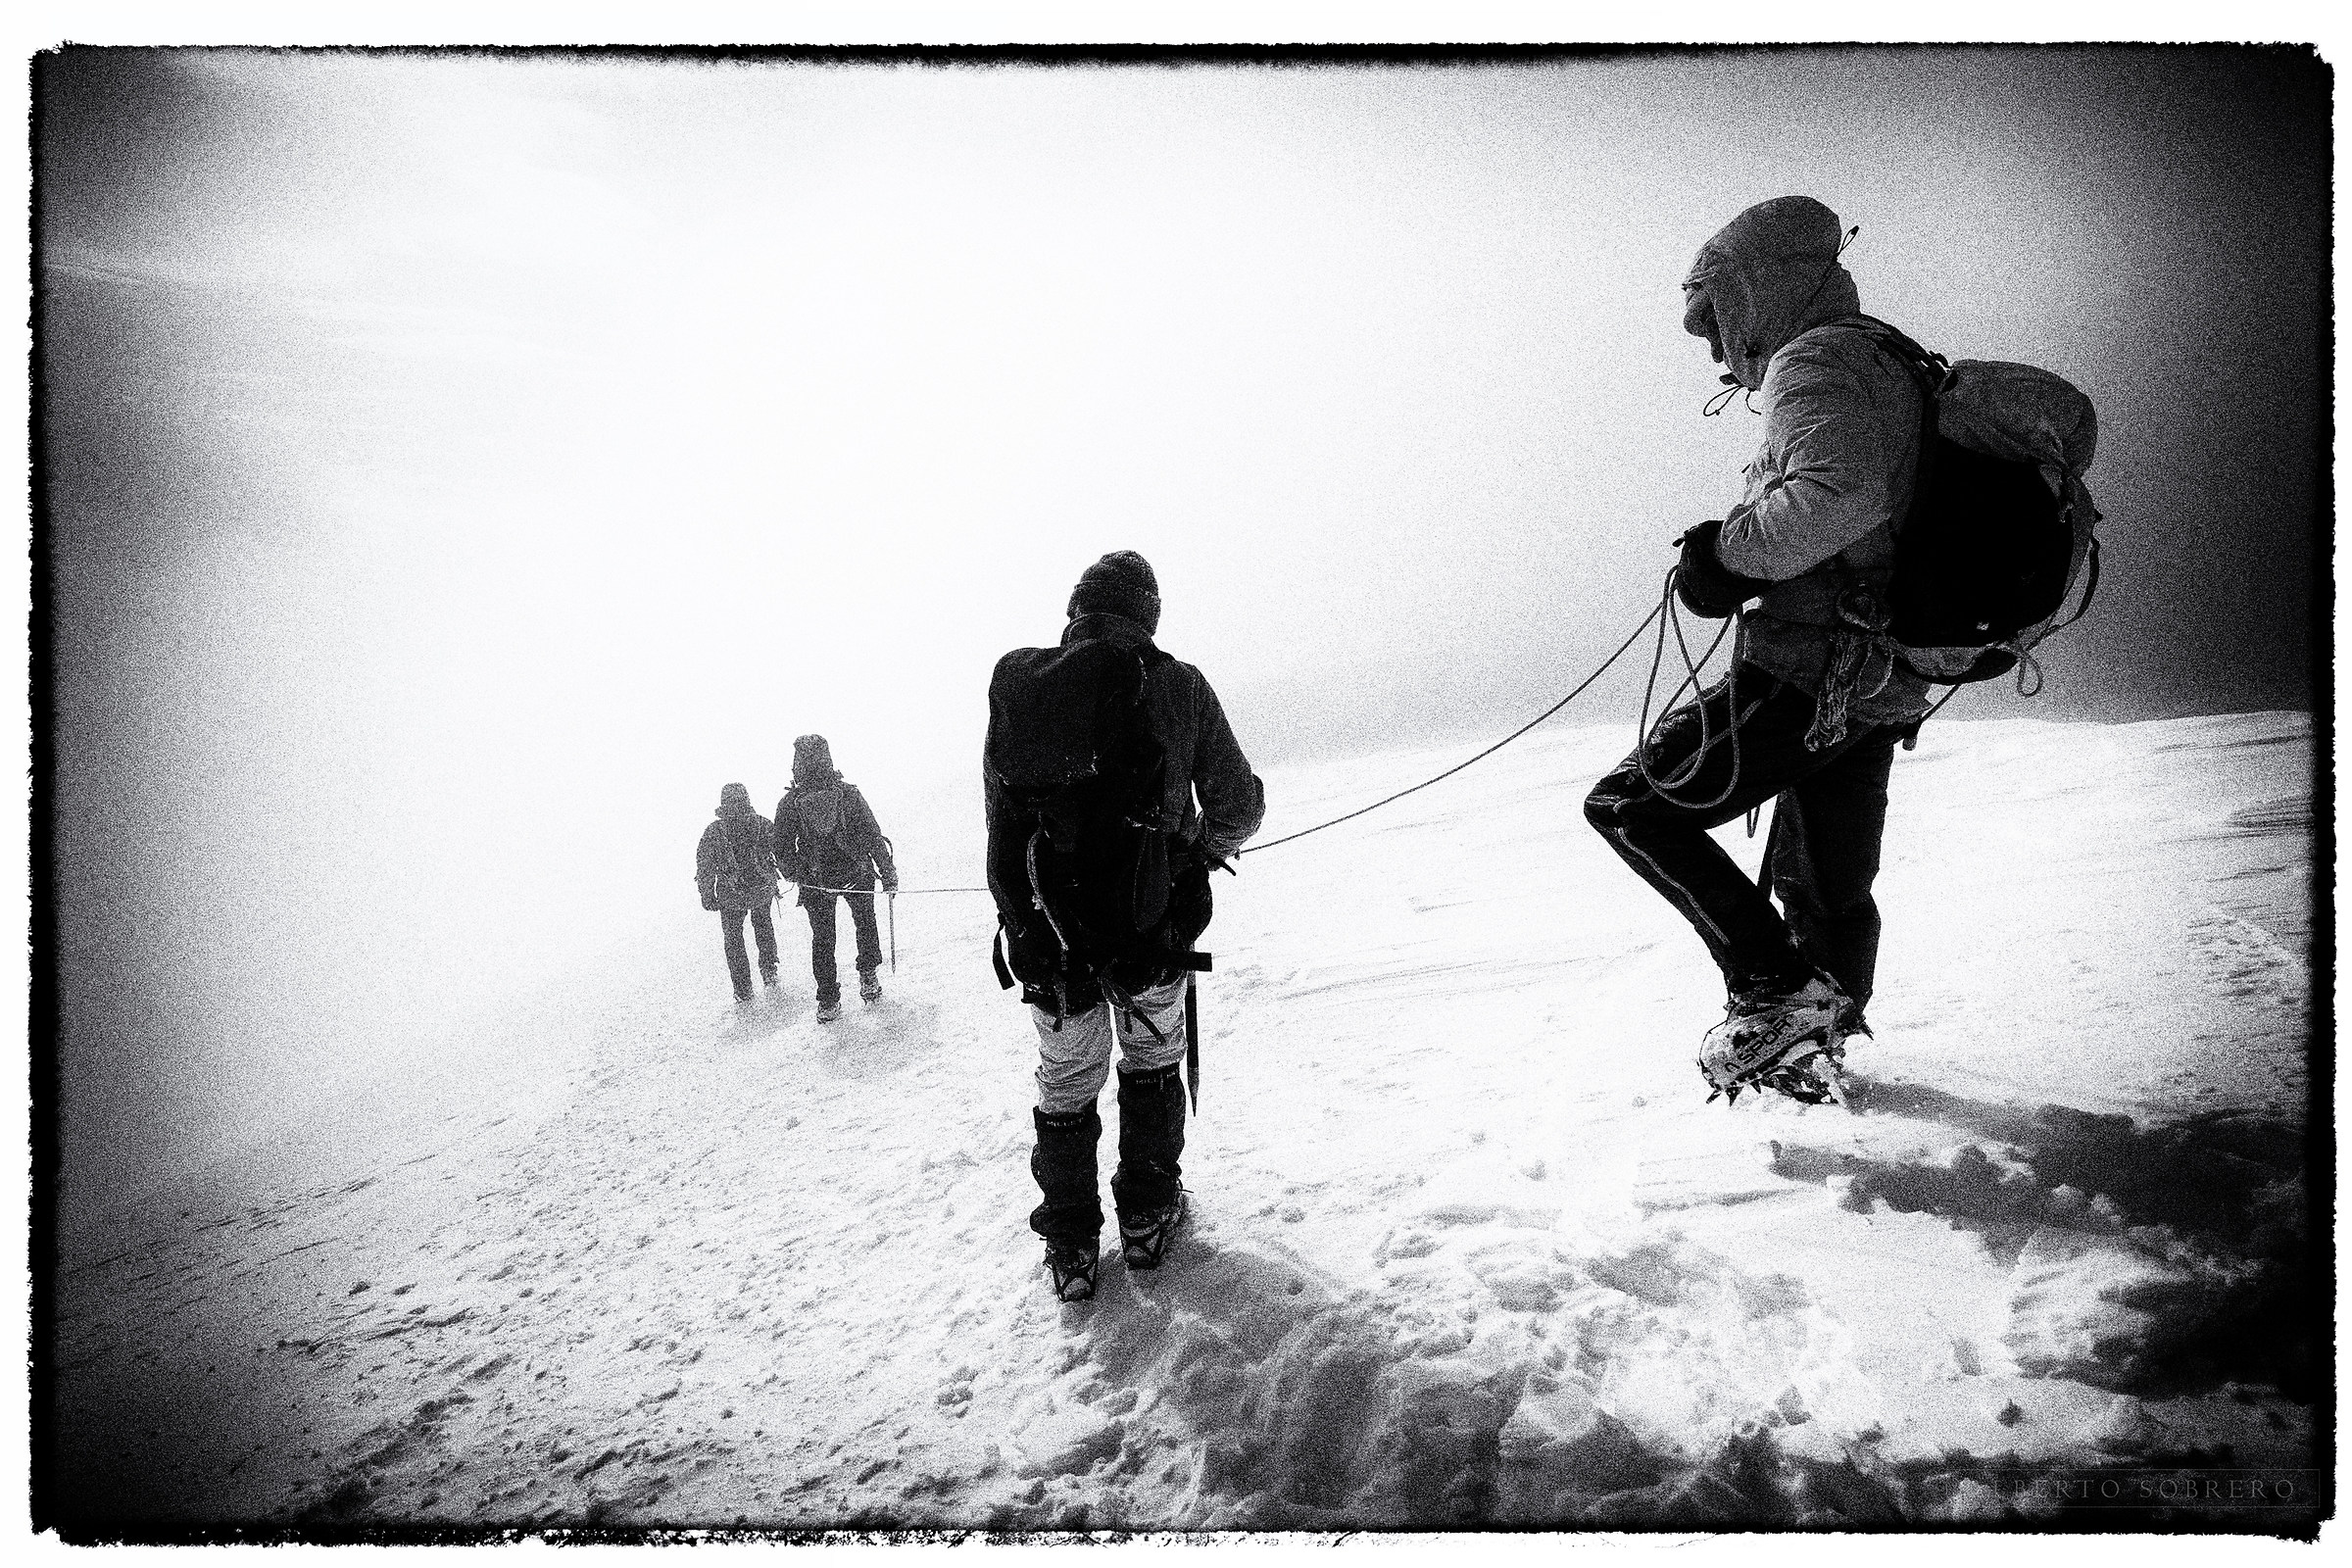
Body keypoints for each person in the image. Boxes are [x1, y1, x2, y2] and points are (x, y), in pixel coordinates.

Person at [1583, 195, 1933, 1103]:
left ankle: (1775, 992)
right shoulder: (1892, 358)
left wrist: (1720, 559)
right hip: (1883, 683)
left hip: (1810, 668)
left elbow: (1836, 497)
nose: (1711, 349)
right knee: (1825, 885)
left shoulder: (1813, 360)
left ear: (1752, 289)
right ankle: (1821, 1054)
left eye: (1714, 322)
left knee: (1631, 806)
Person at [984, 551, 1264, 1301]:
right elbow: (1240, 802)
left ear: (1074, 609)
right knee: (1150, 1063)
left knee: (1067, 1083)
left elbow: (1002, 836)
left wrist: (1027, 924)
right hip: (1152, 934)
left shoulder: (1021, 689)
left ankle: (1072, 1246)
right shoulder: (1179, 686)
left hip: (1054, 940)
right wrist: (1193, 858)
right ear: (1150, 614)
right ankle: (1146, 1214)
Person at [772, 735, 898, 1022]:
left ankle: (828, 998)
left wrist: (795, 873)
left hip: (816, 881)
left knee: (823, 938)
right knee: (865, 922)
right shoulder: (848, 794)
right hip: (857, 871)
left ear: (797, 764)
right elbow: (872, 834)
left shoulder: (790, 803)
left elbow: (780, 846)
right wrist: (887, 871)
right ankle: (868, 977)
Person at [695, 782, 781, 1004]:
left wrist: (707, 894)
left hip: (730, 894)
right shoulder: (762, 824)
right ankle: (769, 967)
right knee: (763, 924)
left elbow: (704, 866)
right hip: (761, 888)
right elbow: (780, 852)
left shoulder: (714, 831)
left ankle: (742, 988)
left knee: (733, 938)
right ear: (747, 800)